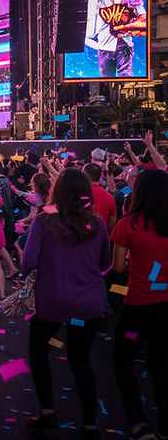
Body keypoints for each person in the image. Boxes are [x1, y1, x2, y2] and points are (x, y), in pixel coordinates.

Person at [21, 168, 110, 438]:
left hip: (52, 303)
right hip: (87, 306)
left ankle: (48, 412)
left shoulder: (43, 222)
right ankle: (91, 423)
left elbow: (29, 263)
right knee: (80, 360)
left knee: (38, 351)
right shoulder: (97, 224)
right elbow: (105, 264)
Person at [110, 169, 168, 440]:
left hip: (139, 306)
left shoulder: (127, 224)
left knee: (122, 359)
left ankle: (138, 424)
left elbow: (118, 266)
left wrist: (139, 263)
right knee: (161, 364)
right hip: (166, 307)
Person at [85, 0, 147, 78]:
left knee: (127, 79)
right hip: (104, 47)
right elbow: (90, 25)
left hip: (125, 45)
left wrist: (128, 27)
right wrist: (94, 44)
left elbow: (142, 18)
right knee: (106, 81)